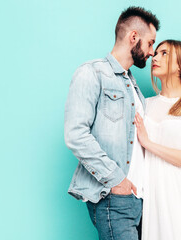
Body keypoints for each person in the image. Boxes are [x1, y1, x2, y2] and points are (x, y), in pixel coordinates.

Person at [64, 7, 160, 240]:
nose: (151, 53)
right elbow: (76, 135)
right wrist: (117, 181)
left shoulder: (132, 85)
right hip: (115, 198)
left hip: (139, 200)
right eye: (150, 43)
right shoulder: (91, 73)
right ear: (133, 37)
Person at [134, 40, 181, 240]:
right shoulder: (145, 105)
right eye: (156, 53)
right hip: (153, 195)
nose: (155, 58)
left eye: (164, 53)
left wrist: (149, 144)